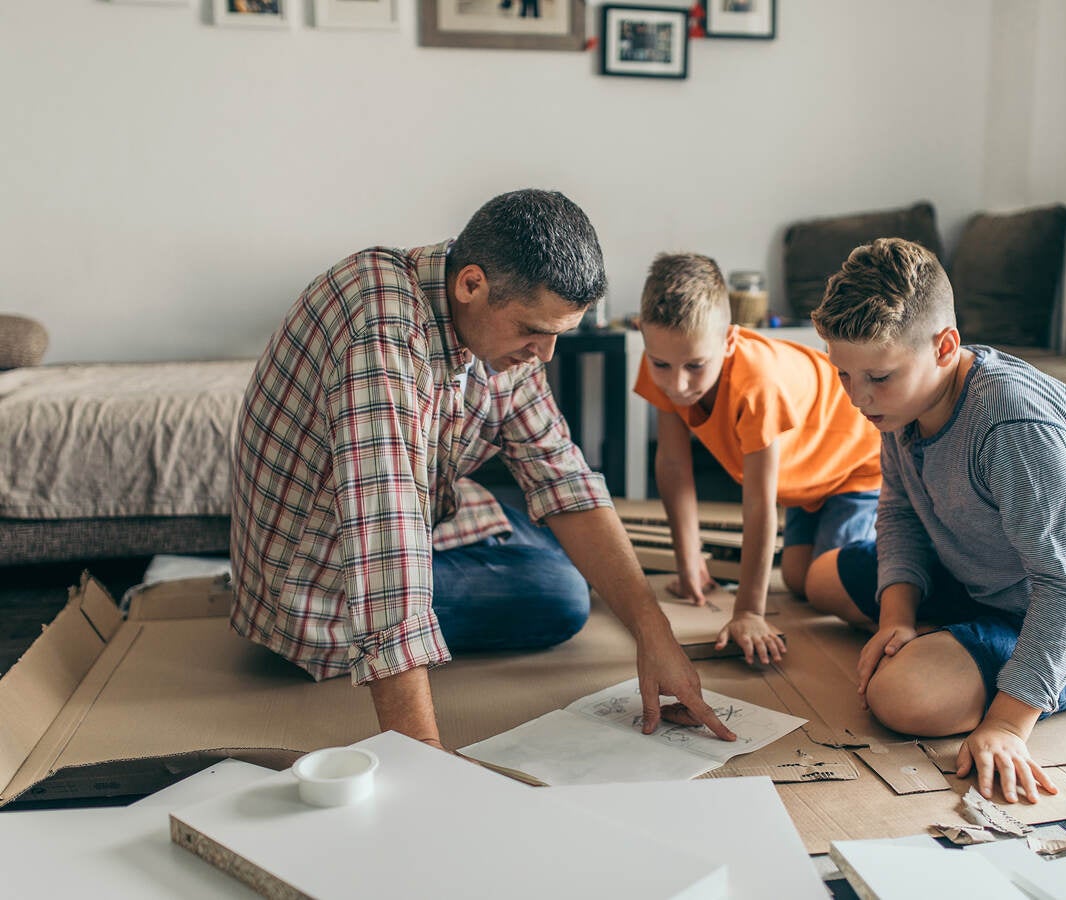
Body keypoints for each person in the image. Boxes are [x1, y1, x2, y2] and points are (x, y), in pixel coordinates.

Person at [229, 190, 737, 750]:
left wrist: (653, 632)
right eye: (532, 331)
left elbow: (562, 477)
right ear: (471, 284)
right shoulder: (381, 332)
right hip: (318, 588)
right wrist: (423, 762)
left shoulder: (499, 326)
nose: (543, 356)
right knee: (563, 592)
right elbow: (387, 550)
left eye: (556, 336)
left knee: (571, 553)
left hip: (429, 516)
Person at [805, 237, 1066, 804]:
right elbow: (900, 512)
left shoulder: (1012, 425)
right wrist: (896, 618)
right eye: (844, 375)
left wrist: (1007, 724)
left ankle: (971, 655)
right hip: (987, 578)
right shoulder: (904, 403)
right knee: (817, 577)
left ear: (945, 346)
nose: (858, 398)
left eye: (877, 377)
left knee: (901, 698)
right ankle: (945, 633)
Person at [633, 253, 882, 665]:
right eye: (662, 365)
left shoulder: (757, 384)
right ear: (644, 336)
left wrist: (748, 611)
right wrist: (688, 561)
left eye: (696, 366)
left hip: (856, 463)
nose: (677, 384)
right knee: (798, 579)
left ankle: (914, 576)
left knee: (823, 584)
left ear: (729, 340)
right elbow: (674, 466)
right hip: (804, 482)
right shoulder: (663, 361)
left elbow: (758, 502)